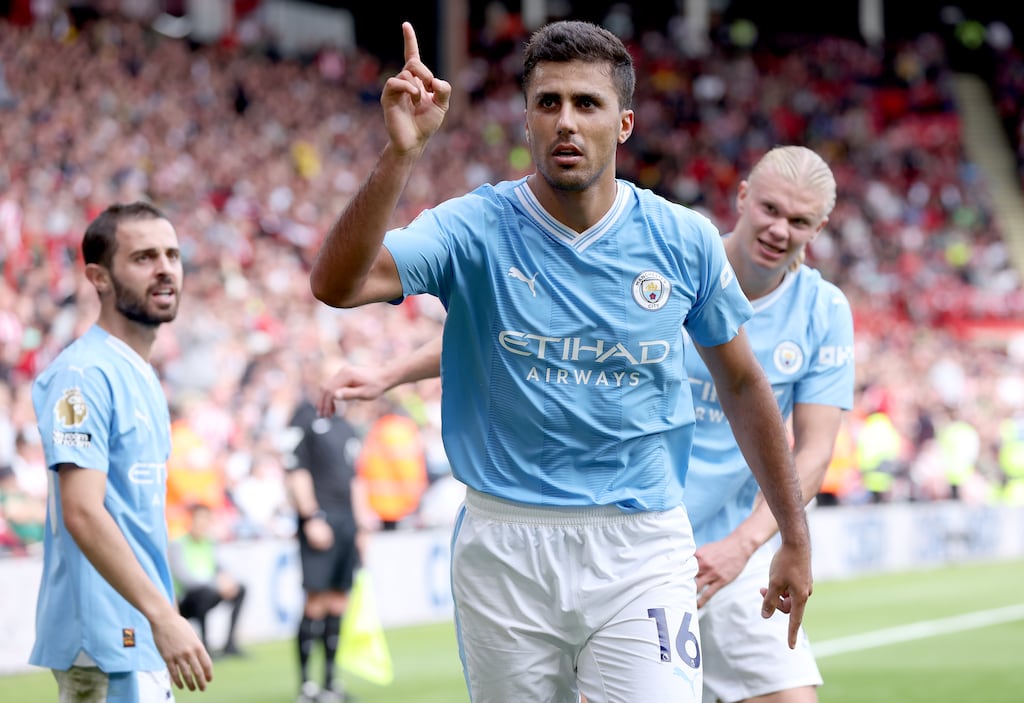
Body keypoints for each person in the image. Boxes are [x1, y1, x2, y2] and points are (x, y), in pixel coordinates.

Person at [308, 20, 811, 703]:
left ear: (624, 122)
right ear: (526, 120)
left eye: (586, 103)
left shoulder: (683, 240)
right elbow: (337, 285)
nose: (566, 122)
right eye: (548, 103)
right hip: (505, 545)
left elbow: (745, 383)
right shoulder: (472, 227)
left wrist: (792, 534)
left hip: (642, 543)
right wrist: (401, 156)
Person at [29, 202, 213, 701]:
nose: (165, 269)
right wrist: (161, 615)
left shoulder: (139, 372)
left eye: (172, 255)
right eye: (144, 257)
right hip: (110, 634)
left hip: (135, 628)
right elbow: (83, 512)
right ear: (99, 276)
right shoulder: (83, 376)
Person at [284, 362, 377, 703]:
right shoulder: (303, 418)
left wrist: (363, 526)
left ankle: (330, 682)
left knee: (339, 600)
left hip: (346, 522)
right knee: (315, 600)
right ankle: (307, 685)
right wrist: (311, 517)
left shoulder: (347, 427)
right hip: (320, 519)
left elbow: (355, 479)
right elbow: (296, 471)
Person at [168, 503, 248, 658]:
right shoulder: (178, 544)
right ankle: (205, 646)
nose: (202, 524)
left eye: (206, 519)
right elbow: (185, 579)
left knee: (240, 588)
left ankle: (230, 644)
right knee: (205, 594)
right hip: (185, 601)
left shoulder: (209, 543)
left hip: (209, 591)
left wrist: (227, 581)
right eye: (199, 519)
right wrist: (216, 584)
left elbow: (218, 567)